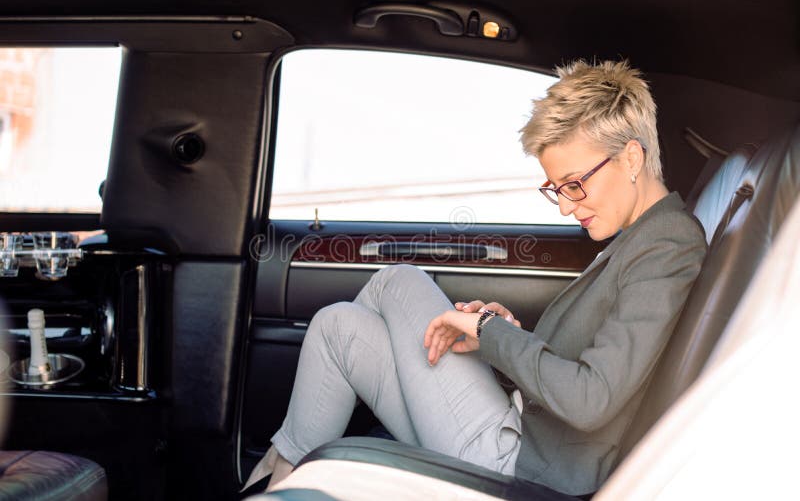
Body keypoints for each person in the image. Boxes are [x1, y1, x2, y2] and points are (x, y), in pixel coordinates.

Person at [243, 60, 708, 496]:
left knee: (397, 280)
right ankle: (284, 474)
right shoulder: (640, 238)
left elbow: (593, 398)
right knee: (338, 327)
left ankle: (277, 478)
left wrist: (492, 335)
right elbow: (592, 357)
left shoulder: (668, 243)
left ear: (631, 158)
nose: (566, 206)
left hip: (520, 465)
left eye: (574, 184)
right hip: (519, 430)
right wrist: (505, 333)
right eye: (556, 190)